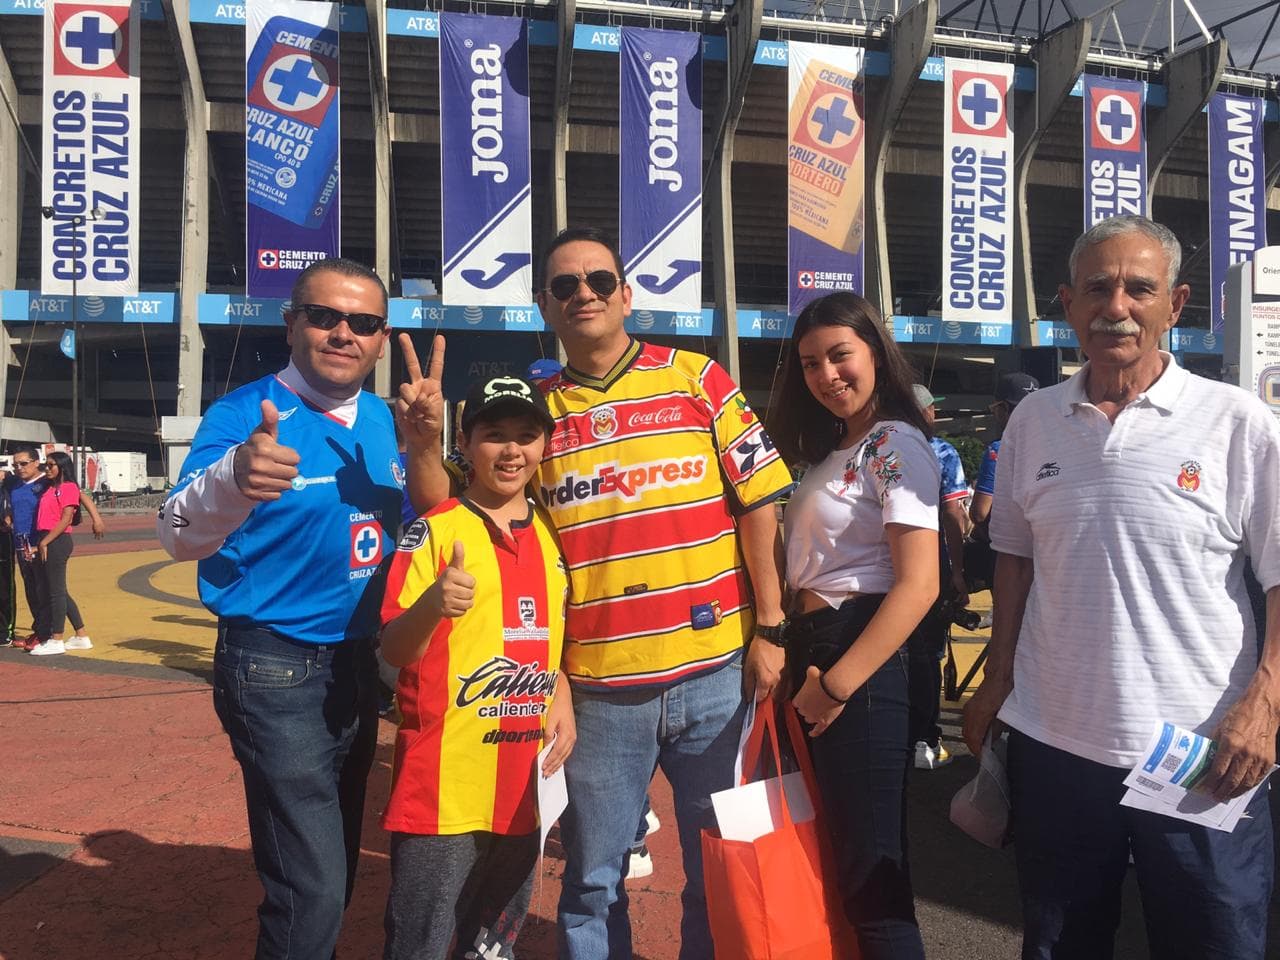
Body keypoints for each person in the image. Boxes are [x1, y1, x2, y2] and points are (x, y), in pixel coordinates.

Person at [399, 227, 794, 960]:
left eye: (600, 280)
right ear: (544, 305)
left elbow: (759, 501)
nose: (584, 293)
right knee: (592, 881)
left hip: (715, 675)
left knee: (721, 864)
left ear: (627, 294)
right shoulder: (536, 416)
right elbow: (453, 512)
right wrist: (424, 444)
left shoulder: (699, 378)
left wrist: (770, 627)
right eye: (565, 285)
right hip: (599, 691)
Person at [962, 215, 1280, 960]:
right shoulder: (1034, 421)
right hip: (1055, 744)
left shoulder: (1238, 423)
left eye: (1140, 288)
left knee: (1213, 941)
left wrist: (1266, 703)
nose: (1118, 307)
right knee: (1059, 942)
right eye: (1098, 289)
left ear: (1176, 304)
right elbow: (1014, 560)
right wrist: (996, 681)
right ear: (1068, 304)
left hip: (1201, 749)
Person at [157, 258, 401, 959]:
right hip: (273, 666)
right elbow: (176, 532)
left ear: (381, 339)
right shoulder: (244, 414)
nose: (343, 334)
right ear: (291, 324)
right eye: (324, 316)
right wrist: (234, 478)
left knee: (336, 865)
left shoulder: (383, 418)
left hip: (359, 665)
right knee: (310, 886)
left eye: (363, 323)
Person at [379, 374, 574, 960]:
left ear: (544, 444)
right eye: (494, 434)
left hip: (525, 789)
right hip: (442, 789)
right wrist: (433, 604)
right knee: (419, 943)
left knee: (493, 947)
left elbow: (553, 646)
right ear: (463, 442)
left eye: (526, 435)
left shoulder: (552, 534)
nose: (511, 451)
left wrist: (561, 689)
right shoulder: (435, 530)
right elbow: (394, 649)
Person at [770, 291, 939, 959]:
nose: (827, 375)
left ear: (876, 352)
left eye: (841, 355)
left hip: (855, 657)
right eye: (811, 363)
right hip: (818, 648)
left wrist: (837, 685)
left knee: (874, 882)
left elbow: (920, 583)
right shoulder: (840, 448)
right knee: (845, 866)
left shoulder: (893, 444)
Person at [907, 383, 969, 769]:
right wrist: (958, 572)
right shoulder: (942, 452)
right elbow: (953, 513)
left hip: (885, 569)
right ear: (926, 412)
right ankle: (926, 740)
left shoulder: (878, 446)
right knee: (927, 654)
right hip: (932, 567)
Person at [4, 446, 105, 651]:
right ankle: (59, 631)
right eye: (15, 465)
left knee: (46, 590)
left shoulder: (47, 482)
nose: (19, 468)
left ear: (36, 463)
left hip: (44, 542)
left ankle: (48, 634)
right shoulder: (14, 482)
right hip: (23, 544)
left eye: (23, 463)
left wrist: (97, 519)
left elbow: (79, 496)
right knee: (34, 588)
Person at [28, 451, 96, 656]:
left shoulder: (68, 487)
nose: (47, 469)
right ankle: (81, 636)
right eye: (46, 465)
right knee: (59, 591)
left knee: (55, 592)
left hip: (56, 540)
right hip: (48, 538)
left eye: (51, 465)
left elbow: (66, 518)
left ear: (62, 466)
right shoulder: (51, 487)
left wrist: (45, 542)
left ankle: (57, 639)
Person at [967, 371, 1039, 533]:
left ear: (1004, 408)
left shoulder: (999, 451)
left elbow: (980, 513)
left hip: (1008, 542)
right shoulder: (1054, 445)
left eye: (995, 409)